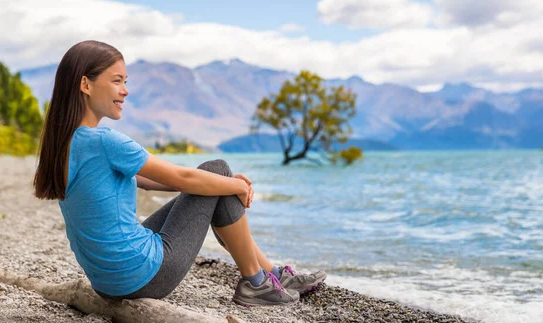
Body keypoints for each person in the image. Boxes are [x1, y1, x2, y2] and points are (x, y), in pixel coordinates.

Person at [33, 40, 326, 307]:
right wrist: (233, 186)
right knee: (218, 171)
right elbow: (182, 178)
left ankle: (270, 275)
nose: (126, 90)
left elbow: (147, 181)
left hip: (107, 282)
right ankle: (257, 282)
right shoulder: (105, 141)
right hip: (142, 276)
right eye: (117, 81)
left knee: (217, 183)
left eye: (126, 81)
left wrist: (218, 188)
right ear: (86, 84)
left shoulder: (67, 143)